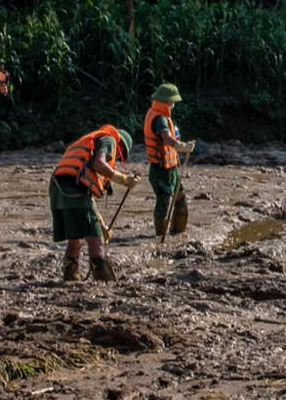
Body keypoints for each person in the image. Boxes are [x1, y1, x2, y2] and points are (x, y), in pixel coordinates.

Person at [49, 123, 138, 282]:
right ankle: (107, 286)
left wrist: (101, 225)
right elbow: (98, 164)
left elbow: (88, 196)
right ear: (121, 147)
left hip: (57, 190)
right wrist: (123, 179)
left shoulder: (91, 142)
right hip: (74, 191)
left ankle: (70, 282)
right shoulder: (109, 140)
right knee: (96, 242)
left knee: (75, 241)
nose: (115, 158)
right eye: (120, 156)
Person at [141, 83, 196, 239]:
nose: (173, 105)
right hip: (161, 170)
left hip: (172, 168)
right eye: (171, 102)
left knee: (181, 202)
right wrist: (180, 146)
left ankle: (178, 235)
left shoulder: (162, 116)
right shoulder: (159, 119)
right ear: (165, 102)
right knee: (164, 204)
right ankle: (161, 237)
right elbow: (166, 137)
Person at [0, 58, 17, 125]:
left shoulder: (6, 73)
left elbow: (7, 83)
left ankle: (9, 119)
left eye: (3, 64)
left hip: (5, 92)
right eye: (0, 64)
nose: (2, 66)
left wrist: (9, 92)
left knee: (11, 104)